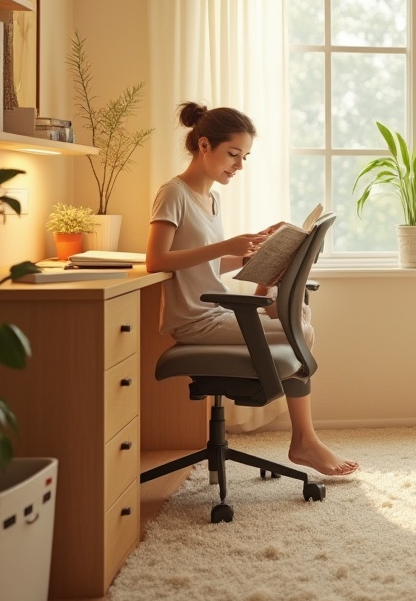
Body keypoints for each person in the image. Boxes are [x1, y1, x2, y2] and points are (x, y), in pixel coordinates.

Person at [146, 102, 357, 477]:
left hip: (216, 314)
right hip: (195, 321)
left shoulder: (212, 198)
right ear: (205, 145)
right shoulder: (173, 194)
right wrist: (227, 247)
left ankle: (305, 439)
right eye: (233, 154)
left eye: (244, 157)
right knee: (301, 329)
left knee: (299, 319)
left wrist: (256, 253)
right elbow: (157, 261)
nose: (239, 165)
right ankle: (304, 441)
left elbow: (207, 264)